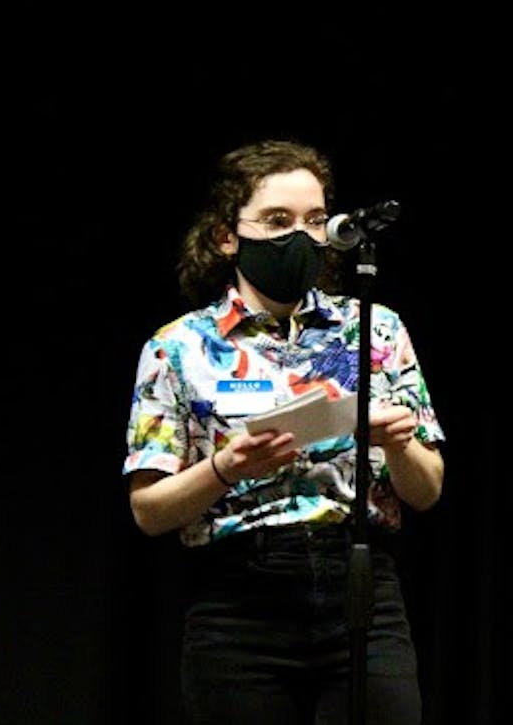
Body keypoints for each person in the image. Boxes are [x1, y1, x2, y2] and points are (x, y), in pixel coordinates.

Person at [122, 139, 445, 724]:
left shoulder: (374, 329)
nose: (301, 236)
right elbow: (149, 510)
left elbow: (425, 492)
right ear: (227, 236)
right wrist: (227, 467)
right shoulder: (178, 347)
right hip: (241, 601)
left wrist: (398, 444)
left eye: (315, 220)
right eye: (278, 220)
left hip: (359, 585)